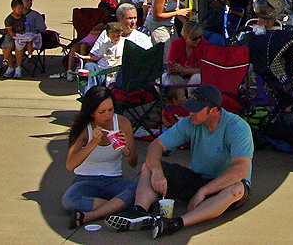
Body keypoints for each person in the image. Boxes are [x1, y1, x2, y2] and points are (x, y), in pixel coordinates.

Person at [106, 84, 253, 237]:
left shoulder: (237, 127)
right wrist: (157, 171)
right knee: (149, 166)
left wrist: (204, 191)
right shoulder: (190, 122)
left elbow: (240, 170)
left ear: (214, 110)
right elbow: (156, 146)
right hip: (197, 178)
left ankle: (176, 223)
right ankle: (139, 212)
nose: (191, 113)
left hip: (223, 185)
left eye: (196, 109)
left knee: (237, 189)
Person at [63, 85, 138, 230]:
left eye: (111, 110)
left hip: (114, 180)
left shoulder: (122, 123)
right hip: (86, 180)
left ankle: (91, 215)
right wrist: (92, 143)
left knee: (138, 188)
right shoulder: (84, 128)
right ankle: (116, 207)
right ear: (91, 113)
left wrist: (127, 151)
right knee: (69, 200)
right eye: (102, 112)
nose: (107, 116)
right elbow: (70, 165)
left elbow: (133, 163)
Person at [78, 22, 126, 91]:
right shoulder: (105, 45)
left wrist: (113, 69)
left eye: (118, 36)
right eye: (113, 36)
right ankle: (88, 95)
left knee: (113, 82)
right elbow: (97, 57)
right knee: (89, 66)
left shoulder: (121, 44)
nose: (116, 38)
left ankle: (109, 95)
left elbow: (120, 60)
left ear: (121, 33)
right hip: (103, 70)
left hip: (115, 71)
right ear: (108, 35)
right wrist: (83, 57)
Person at [164, 20, 206, 87]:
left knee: (197, 77)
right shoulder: (176, 44)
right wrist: (172, 68)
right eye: (194, 38)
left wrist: (184, 70)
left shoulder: (204, 45)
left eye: (200, 37)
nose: (198, 40)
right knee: (166, 77)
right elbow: (172, 65)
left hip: (196, 81)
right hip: (180, 78)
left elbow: (205, 70)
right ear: (185, 37)